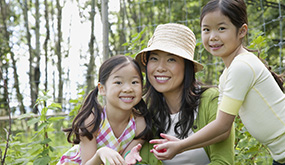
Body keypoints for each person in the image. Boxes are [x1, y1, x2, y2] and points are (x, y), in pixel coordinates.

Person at [149, 0, 285, 164]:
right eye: (206, 29)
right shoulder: (228, 73)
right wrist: (181, 145)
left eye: (221, 28)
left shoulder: (242, 66)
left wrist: (181, 146)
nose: (213, 37)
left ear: (242, 31)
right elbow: (221, 131)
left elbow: (222, 125)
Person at [134, 23, 235, 164]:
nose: (160, 68)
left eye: (171, 59)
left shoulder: (211, 100)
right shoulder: (148, 112)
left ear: (187, 67)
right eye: (154, 59)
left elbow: (224, 161)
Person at [57, 55, 152, 165]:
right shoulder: (92, 121)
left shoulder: (139, 123)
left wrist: (129, 157)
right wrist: (100, 154)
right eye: (118, 82)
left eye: (134, 82)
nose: (128, 89)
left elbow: (123, 161)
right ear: (102, 89)